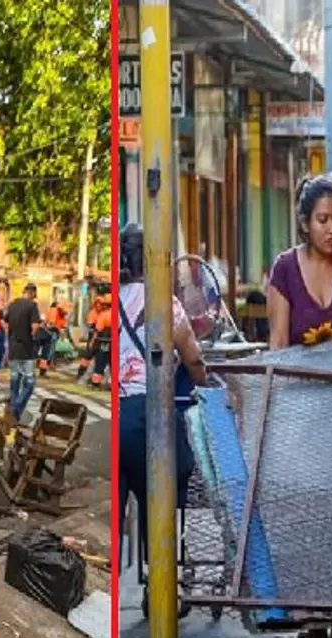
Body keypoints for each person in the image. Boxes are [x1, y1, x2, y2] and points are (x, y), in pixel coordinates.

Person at [116, 224, 208, 612]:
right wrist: (208, 381)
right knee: (170, 491)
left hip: (118, 415)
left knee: (120, 508)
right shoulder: (165, 304)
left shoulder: (114, 299)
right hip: (148, 418)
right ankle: (164, 585)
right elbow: (194, 358)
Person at [267, 175, 332, 348]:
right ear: (305, 224)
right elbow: (278, 345)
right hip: (295, 375)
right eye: (323, 220)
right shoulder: (285, 270)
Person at [5, 283, 44, 423]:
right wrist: (37, 330)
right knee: (29, 383)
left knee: (15, 381)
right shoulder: (32, 306)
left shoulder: (13, 304)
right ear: (32, 293)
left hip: (13, 349)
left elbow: (6, 324)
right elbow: (34, 328)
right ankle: (16, 408)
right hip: (26, 350)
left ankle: (13, 415)